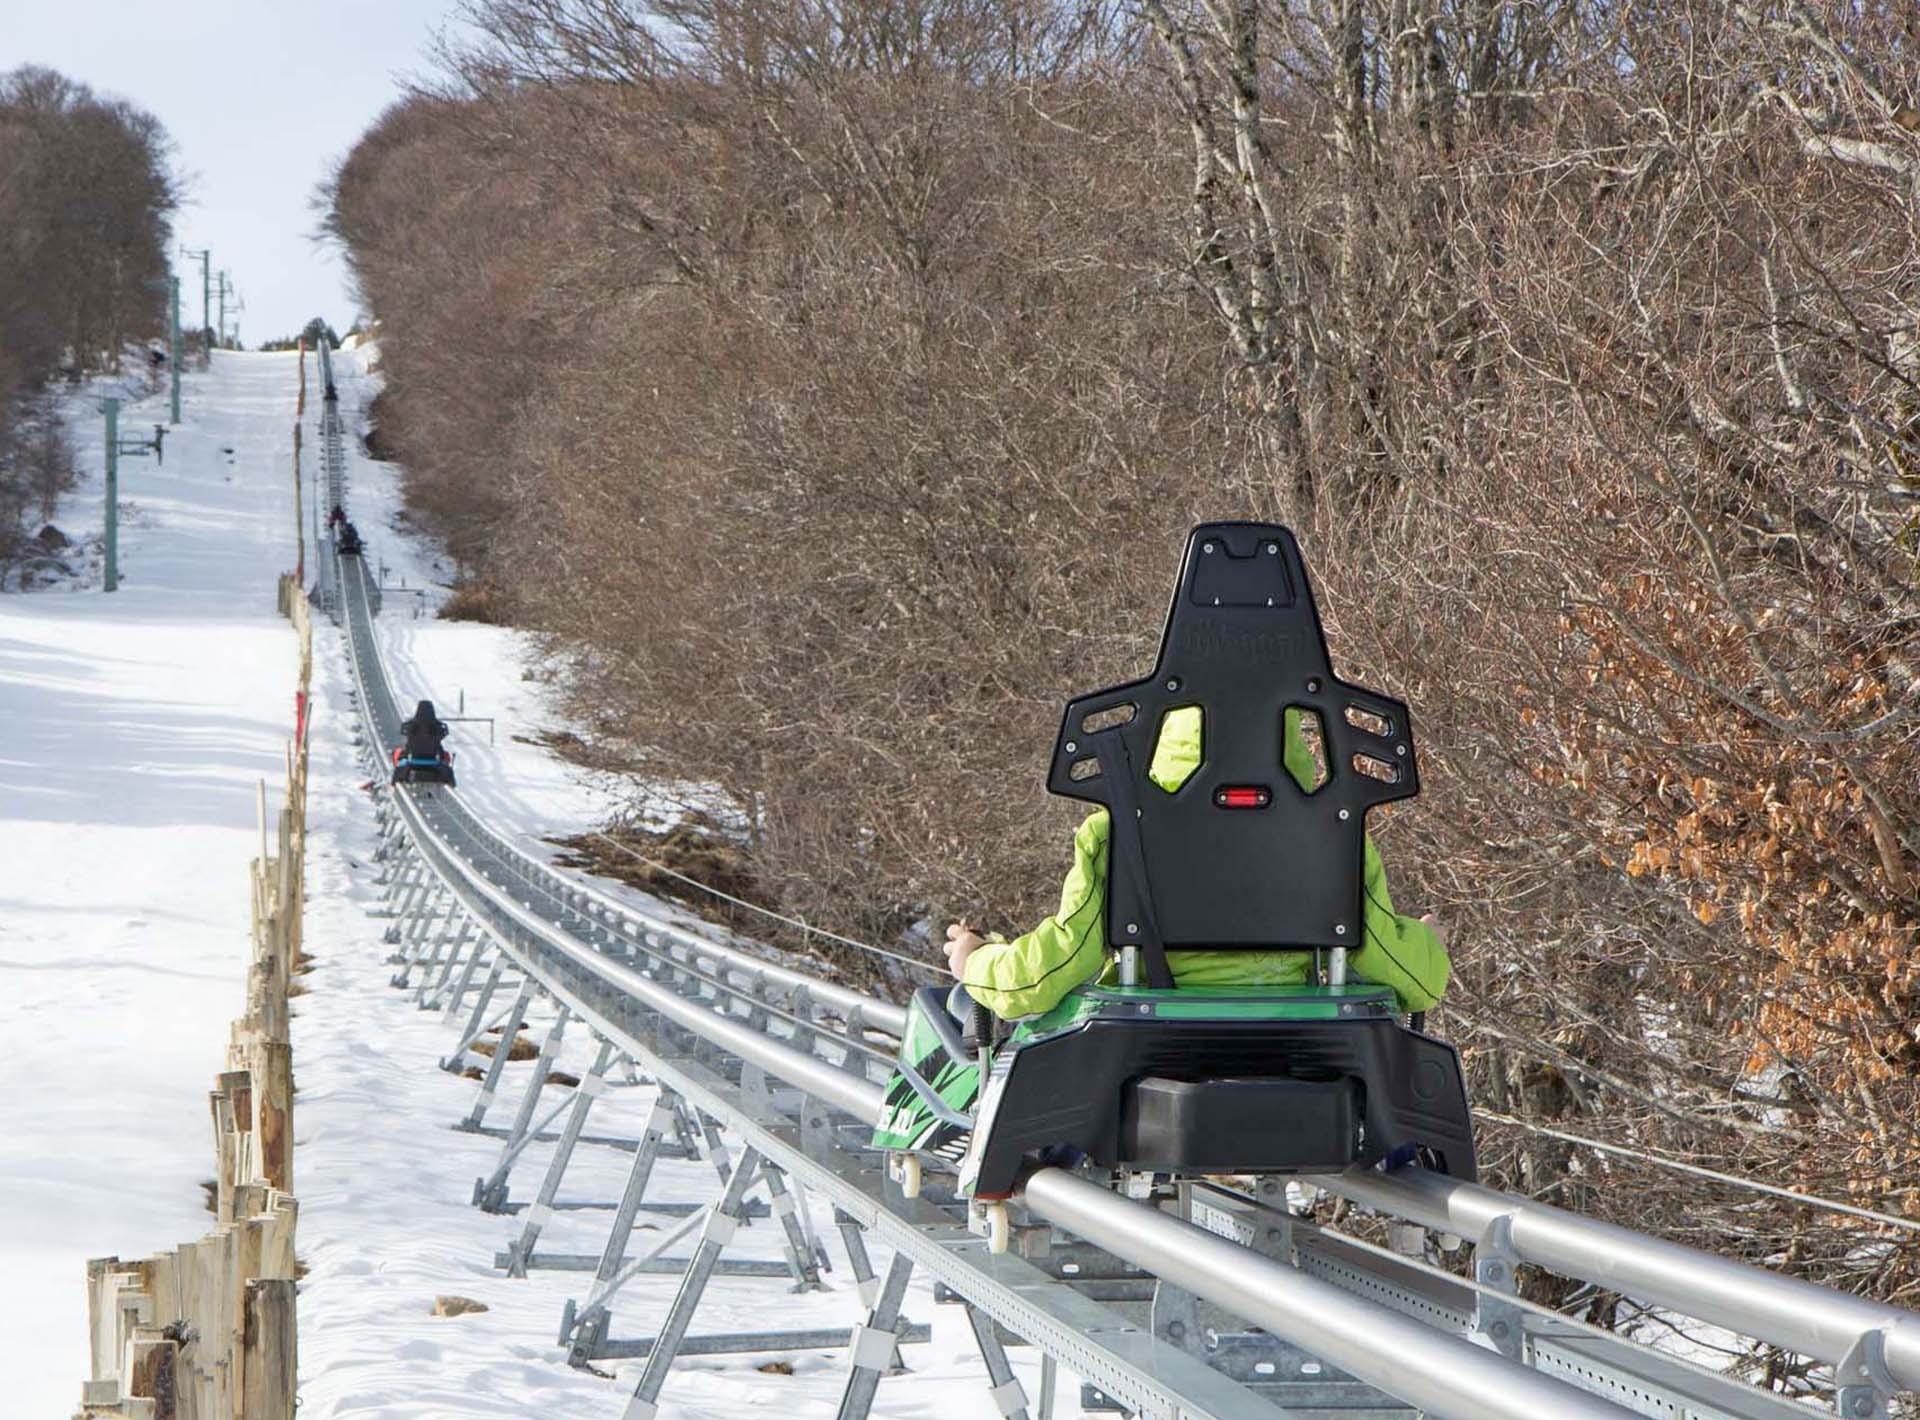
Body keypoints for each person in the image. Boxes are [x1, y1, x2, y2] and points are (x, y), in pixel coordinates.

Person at [946, 706, 1449, 1019]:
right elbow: (1408, 974)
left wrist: (976, 960)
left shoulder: (1119, 831)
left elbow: (1050, 970)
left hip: (1152, 1048)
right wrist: (1428, 944)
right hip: (1294, 1045)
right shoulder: (1335, 834)